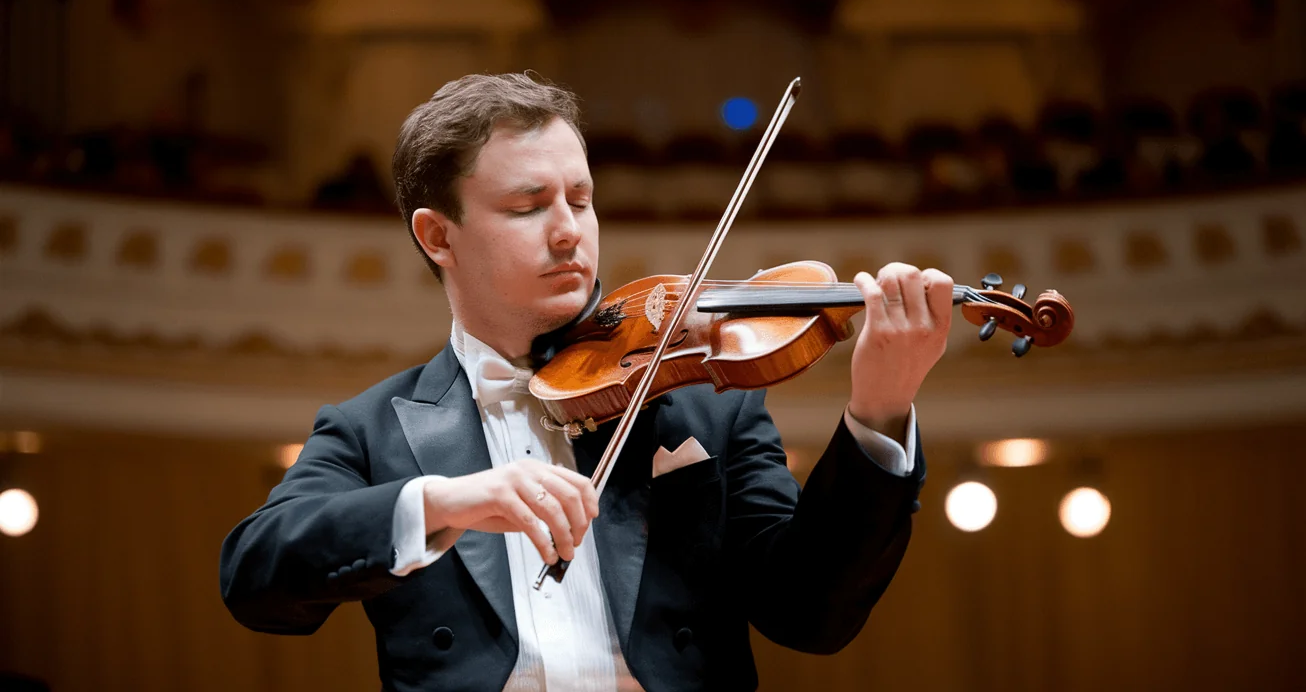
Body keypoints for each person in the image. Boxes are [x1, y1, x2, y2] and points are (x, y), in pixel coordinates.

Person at [219, 73, 954, 692]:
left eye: (581, 197)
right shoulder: (373, 428)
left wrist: (880, 408)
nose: (570, 230)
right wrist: (448, 500)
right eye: (529, 206)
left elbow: (811, 615)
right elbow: (255, 575)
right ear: (438, 236)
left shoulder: (695, 401)